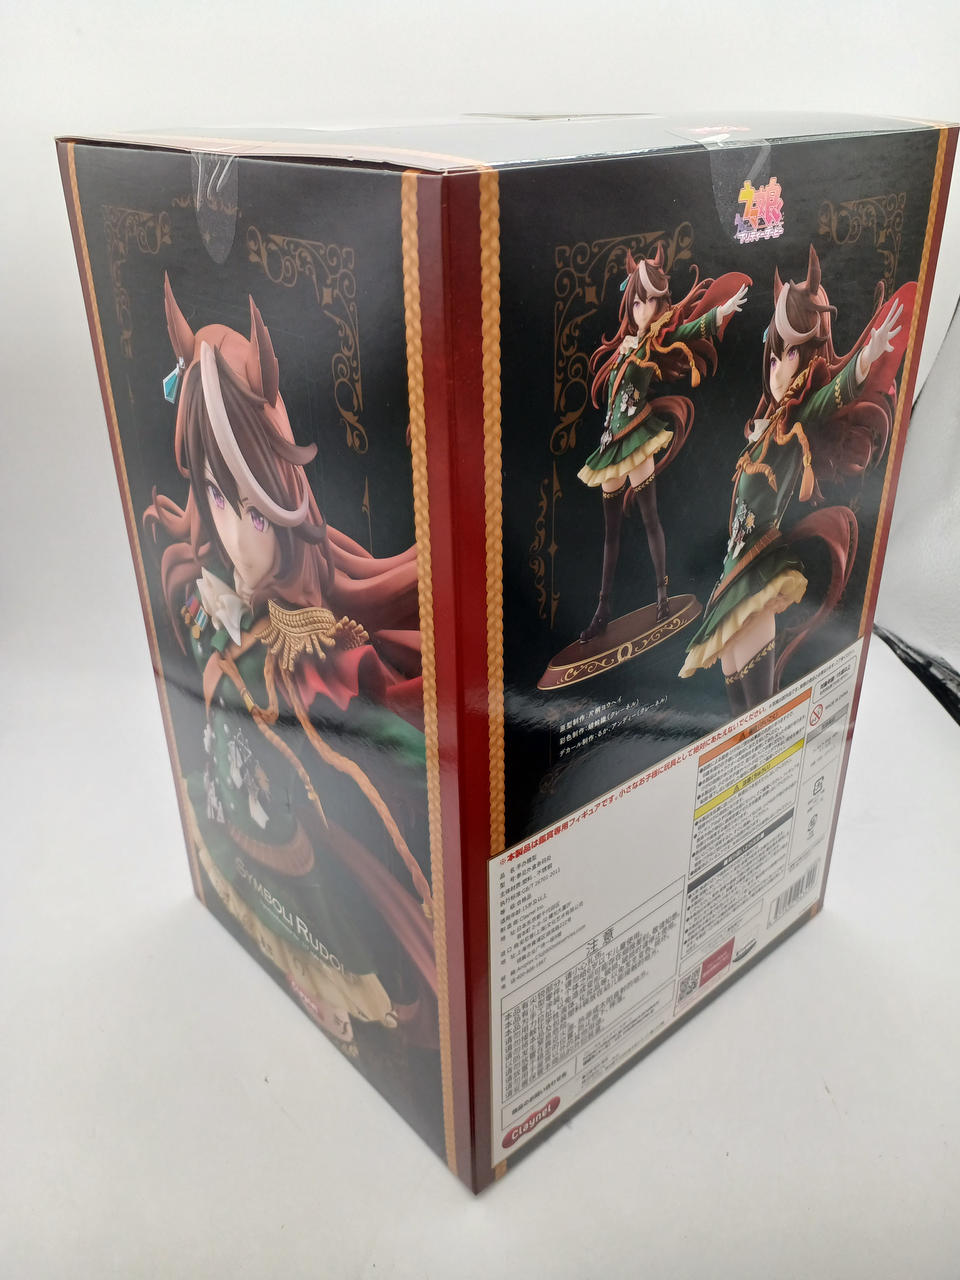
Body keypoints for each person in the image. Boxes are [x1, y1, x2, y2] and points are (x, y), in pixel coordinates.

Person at [144, 275, 439, 1059]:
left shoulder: (318, 654)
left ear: (285, 503)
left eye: (253, 511)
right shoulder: (222, 597)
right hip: (244, 828)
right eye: (217, 501)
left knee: (363, 981)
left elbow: (396, 765)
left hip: (318, 867)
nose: (238, 540)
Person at [680, 246, 910, 711]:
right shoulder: (767, 426)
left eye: (788, 355)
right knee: (736, 711)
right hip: (732, 574)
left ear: (805, 360)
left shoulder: (795, 421)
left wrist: (866, 358)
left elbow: (830, 395)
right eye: (773, 357)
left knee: (754, 715)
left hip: (757, 572)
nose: (777, 368)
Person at [578, 245, 748, 641]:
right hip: (610, 446)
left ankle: (661, 596)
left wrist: (719, 314)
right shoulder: (626, 346)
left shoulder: (655, 341)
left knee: (650, 519)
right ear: (631, 305)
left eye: (652, 302)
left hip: (637, 439)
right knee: (611, 531)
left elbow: (686, 330)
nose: (645, 310)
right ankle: (602, 610)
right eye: (639, 302)